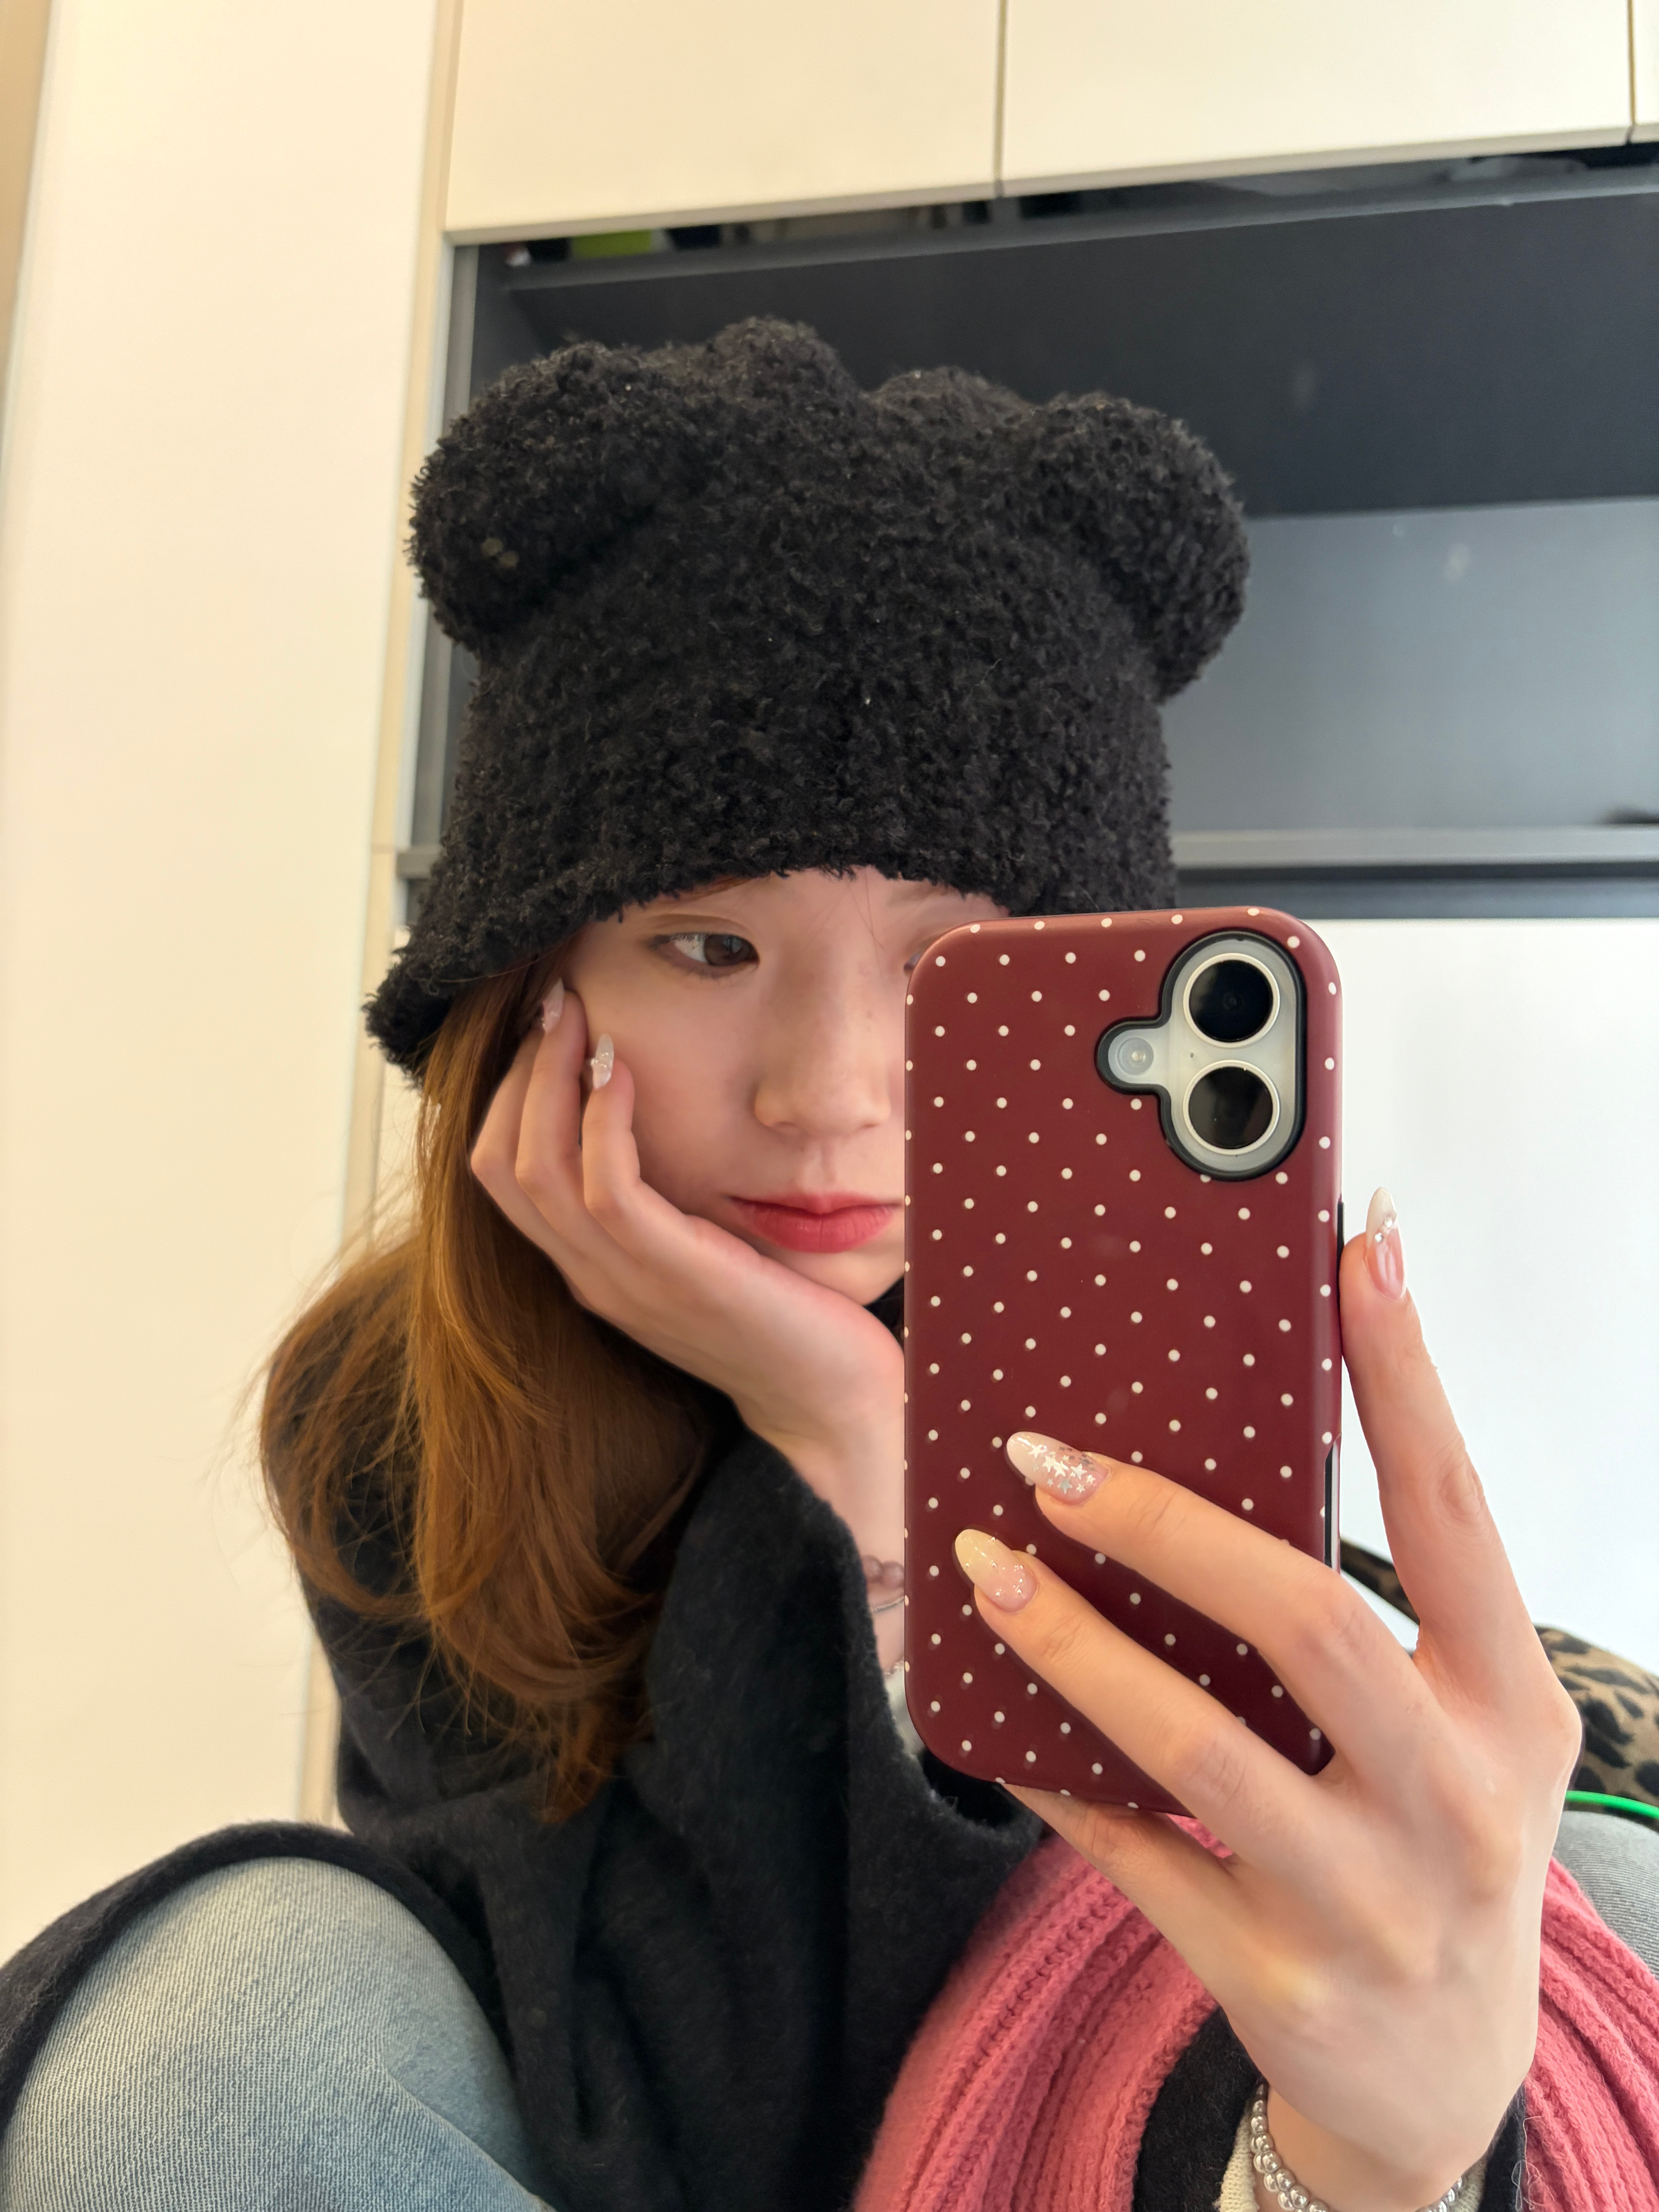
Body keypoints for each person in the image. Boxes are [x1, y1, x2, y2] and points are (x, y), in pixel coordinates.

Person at [0, 320, 1651, 2212]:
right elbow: (674, 2135)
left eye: (956, 968)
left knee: (1608, 1891)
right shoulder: (406, 1418)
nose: (830, 1098)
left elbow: (1151, 2030)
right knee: (222, 2014)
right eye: (708, 949)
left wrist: (1394, 2151)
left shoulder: (1154, 1364)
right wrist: (855, 1465)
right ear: (534, 988)